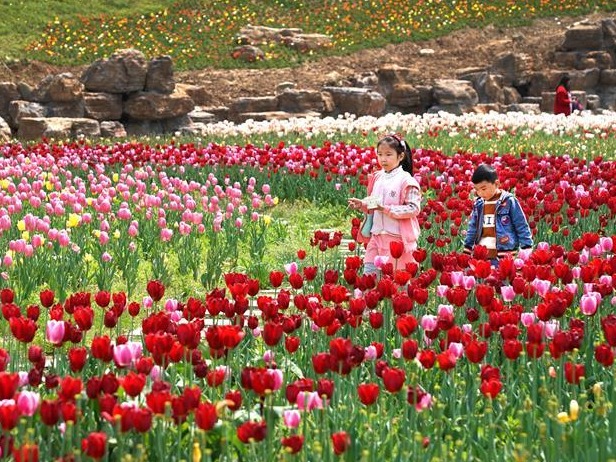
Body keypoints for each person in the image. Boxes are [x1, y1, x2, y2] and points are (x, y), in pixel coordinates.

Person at [349, 134, 421, 275]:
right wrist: (362, 204)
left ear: (400, 156)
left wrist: (385, 208)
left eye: (388, 154)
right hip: (376, 236)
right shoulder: (377, 177)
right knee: (369, 279)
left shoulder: (407, 181)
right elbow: (374, 202)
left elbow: (414, 208)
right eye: (380, 154)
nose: (383, 159)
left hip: (397, 240)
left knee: (399, 285)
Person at [463, 164, 533, 263]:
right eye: (477, 190)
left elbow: (521, 225)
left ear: (496, 183)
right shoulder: (479, 205)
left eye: (483, 189)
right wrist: (467, 249)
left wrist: (526, 248)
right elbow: (472, 228)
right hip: (482, 255)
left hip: (504, 254)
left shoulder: (508, 201)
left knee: (503, 277)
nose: (480, 193)